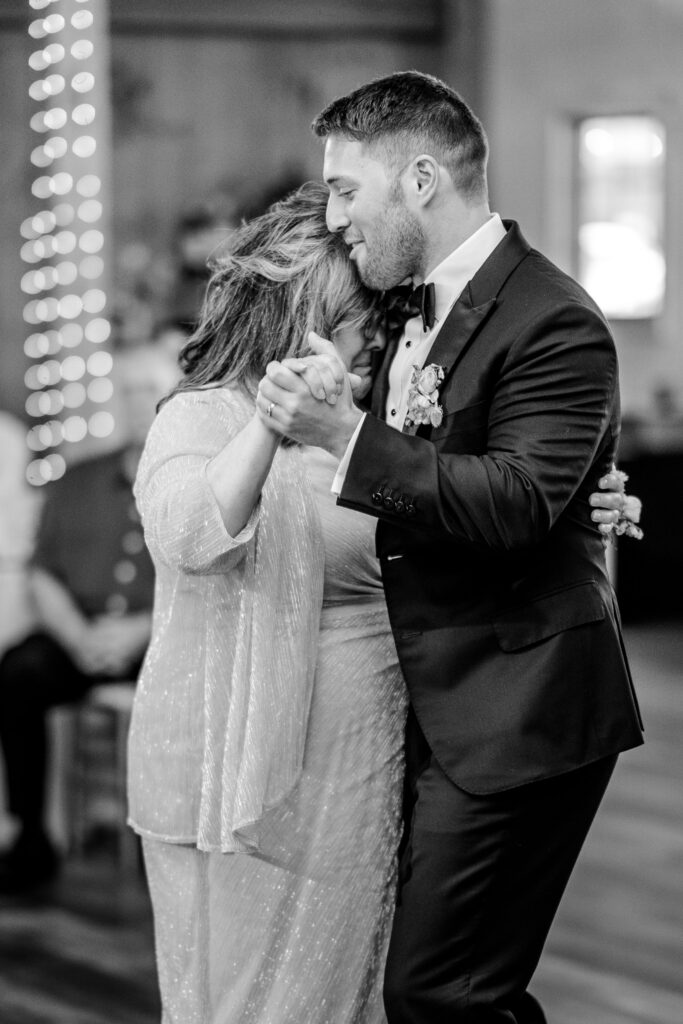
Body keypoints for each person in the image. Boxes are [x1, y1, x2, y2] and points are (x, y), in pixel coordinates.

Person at [257, 72, 644, 1024]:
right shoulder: (410, 306)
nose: (336, 216)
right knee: (452, 991)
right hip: (434, 691)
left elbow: (514, 502)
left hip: (518, 703)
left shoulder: (552, 317)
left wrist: (343, 438)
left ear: (420, 179)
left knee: (441, 993)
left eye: (348, 190)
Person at [126, 181, 406, 1024]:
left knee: (330, 988)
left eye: (382, 322)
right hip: (214, 751)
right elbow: (192, 538)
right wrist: (273, 421)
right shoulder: (198, 418)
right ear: (303, 321)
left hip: (356, 750)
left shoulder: (373, 430)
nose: (374, 342)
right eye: (359, 322)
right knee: (225, 994)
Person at [0, 346, 178, 894]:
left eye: (147, 391)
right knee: (16, 673)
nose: (135, 403)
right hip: (81, 634)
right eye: (126, 391)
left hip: (163, 641)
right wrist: (77, 637)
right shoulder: (75, 479)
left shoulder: (192, 479)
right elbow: (43, 573)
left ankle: (167, 852)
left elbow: (206, 589)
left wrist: (141, 630)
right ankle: (31, 839)